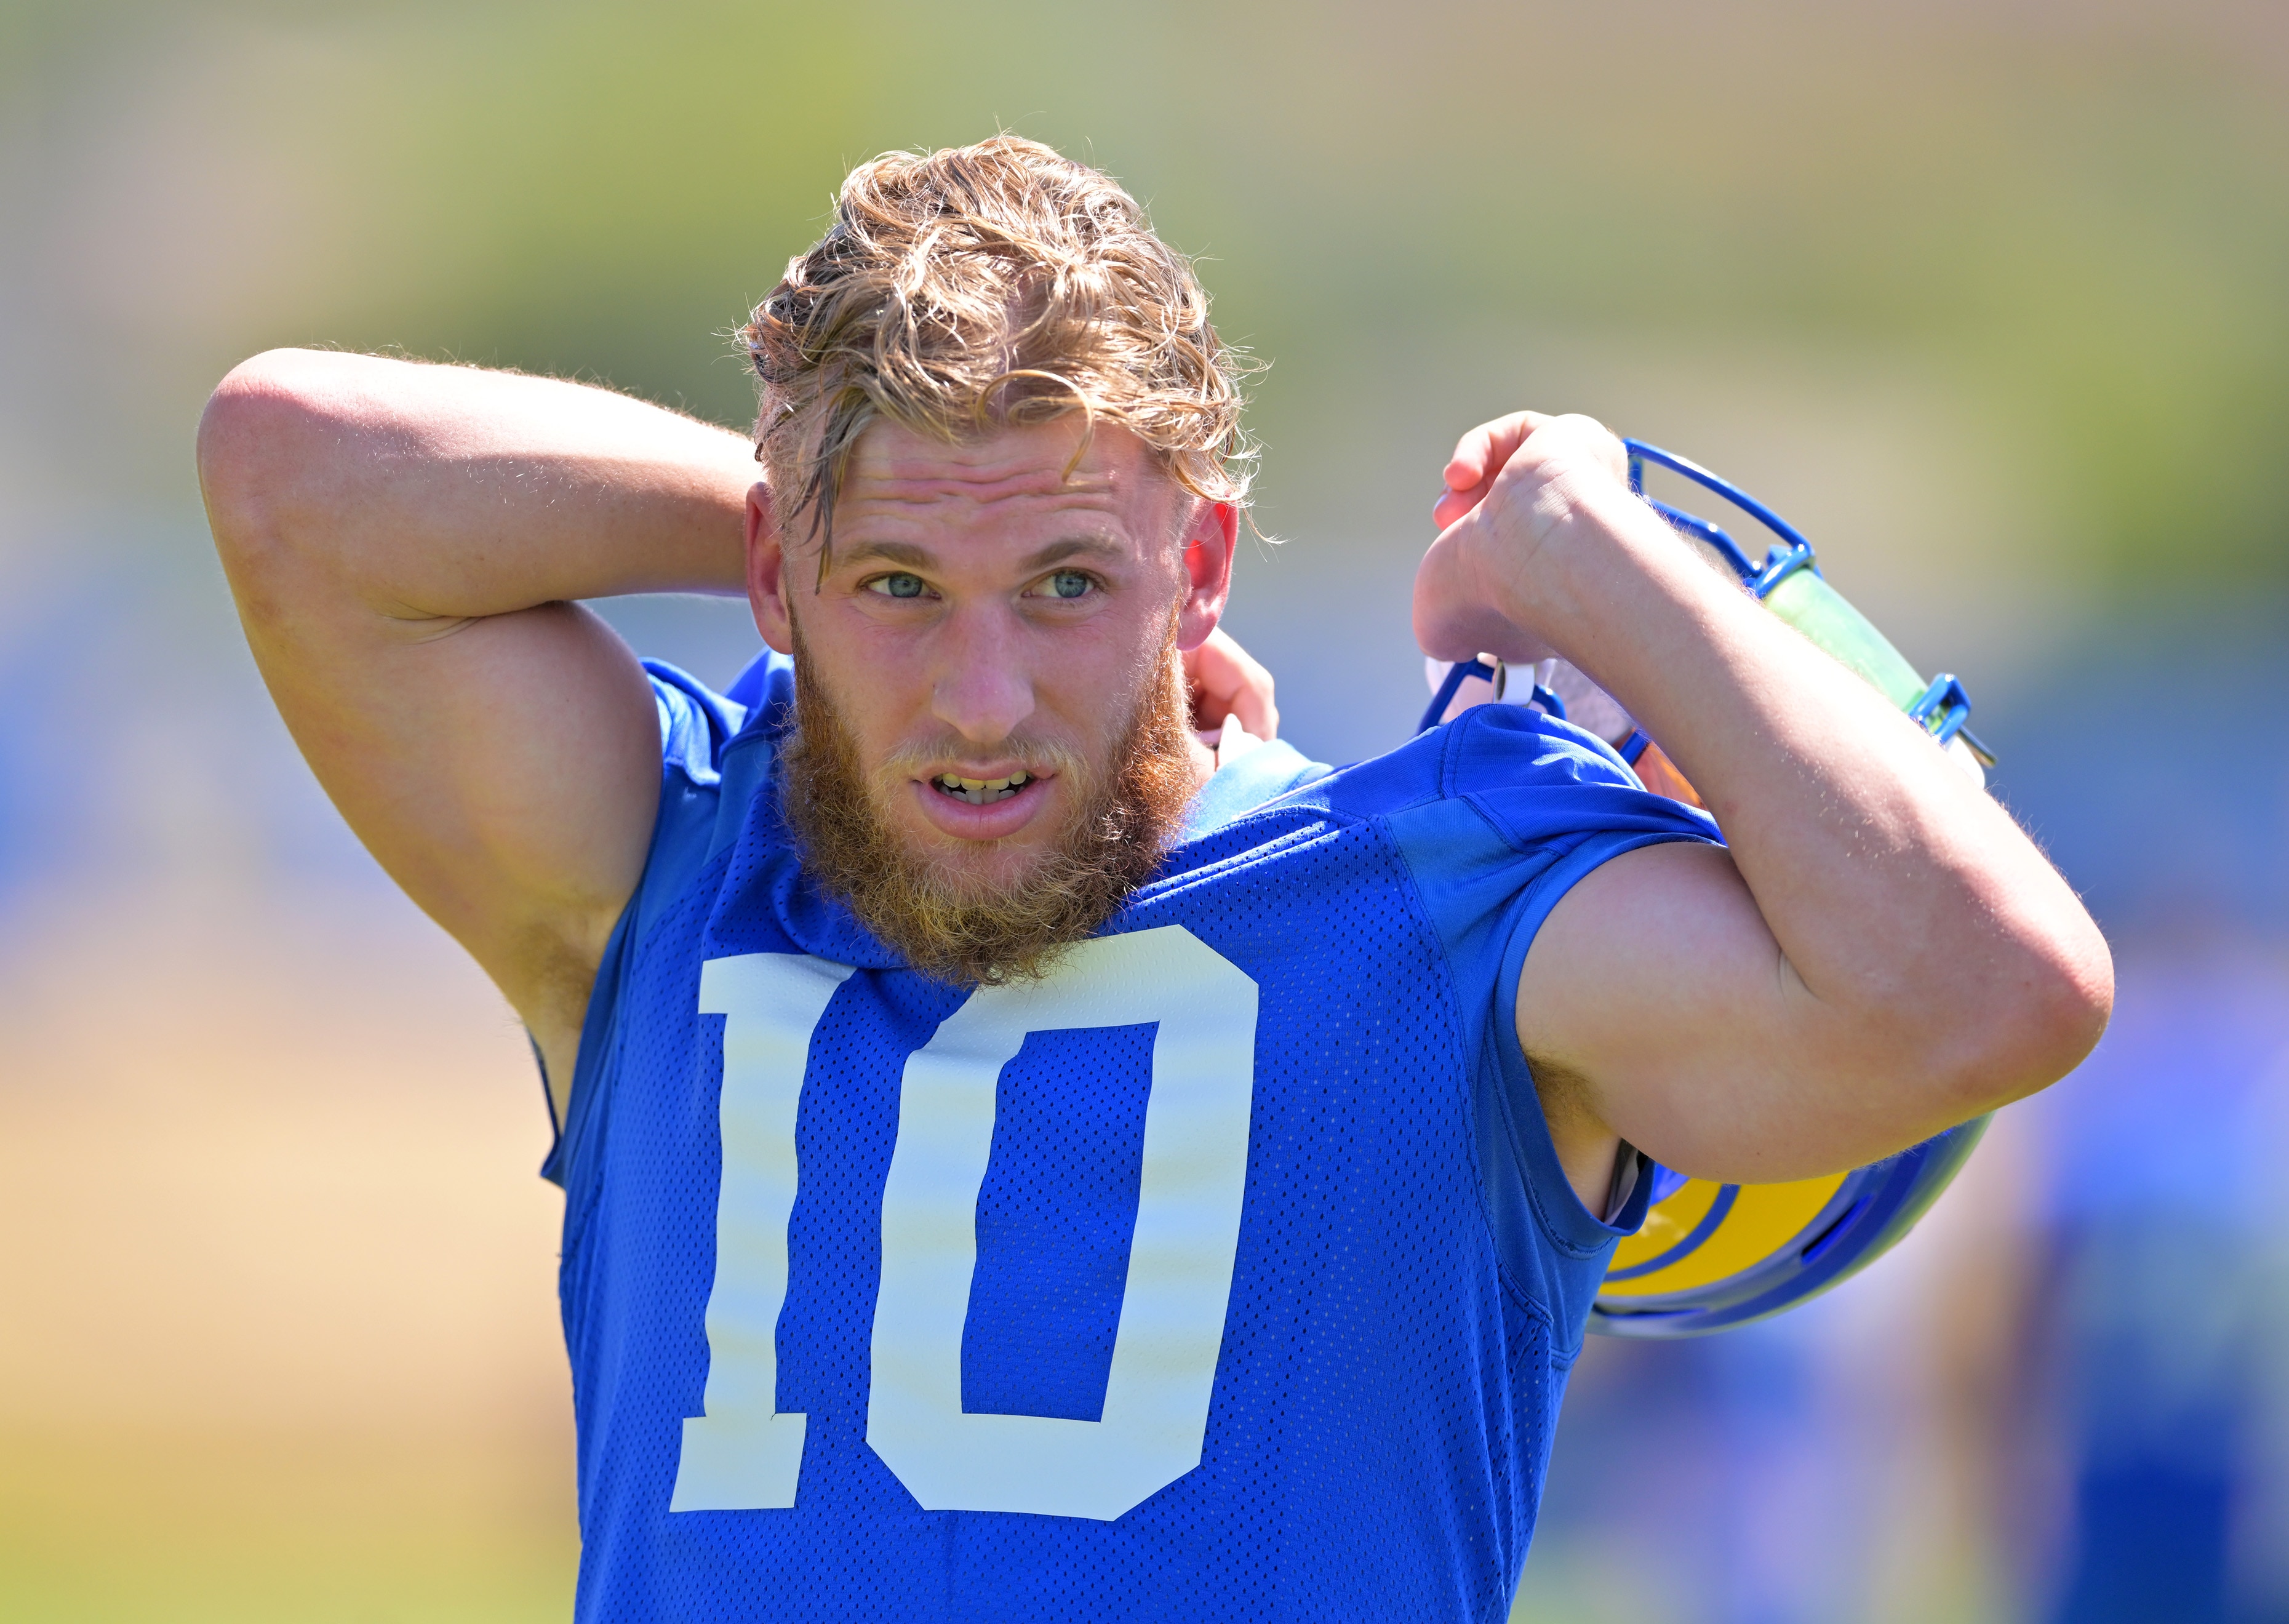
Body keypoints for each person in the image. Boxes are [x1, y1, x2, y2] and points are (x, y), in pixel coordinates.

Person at [194, 136, 2111, 1622]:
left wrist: (1577, 550)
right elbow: (290, 467)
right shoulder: (674, 863)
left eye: (1068, 585)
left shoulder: (1436, 909)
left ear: (1200, 571)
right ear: (779, 581)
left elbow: (1991, 988)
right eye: (894, 595)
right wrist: (858, 495)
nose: (982, 697)